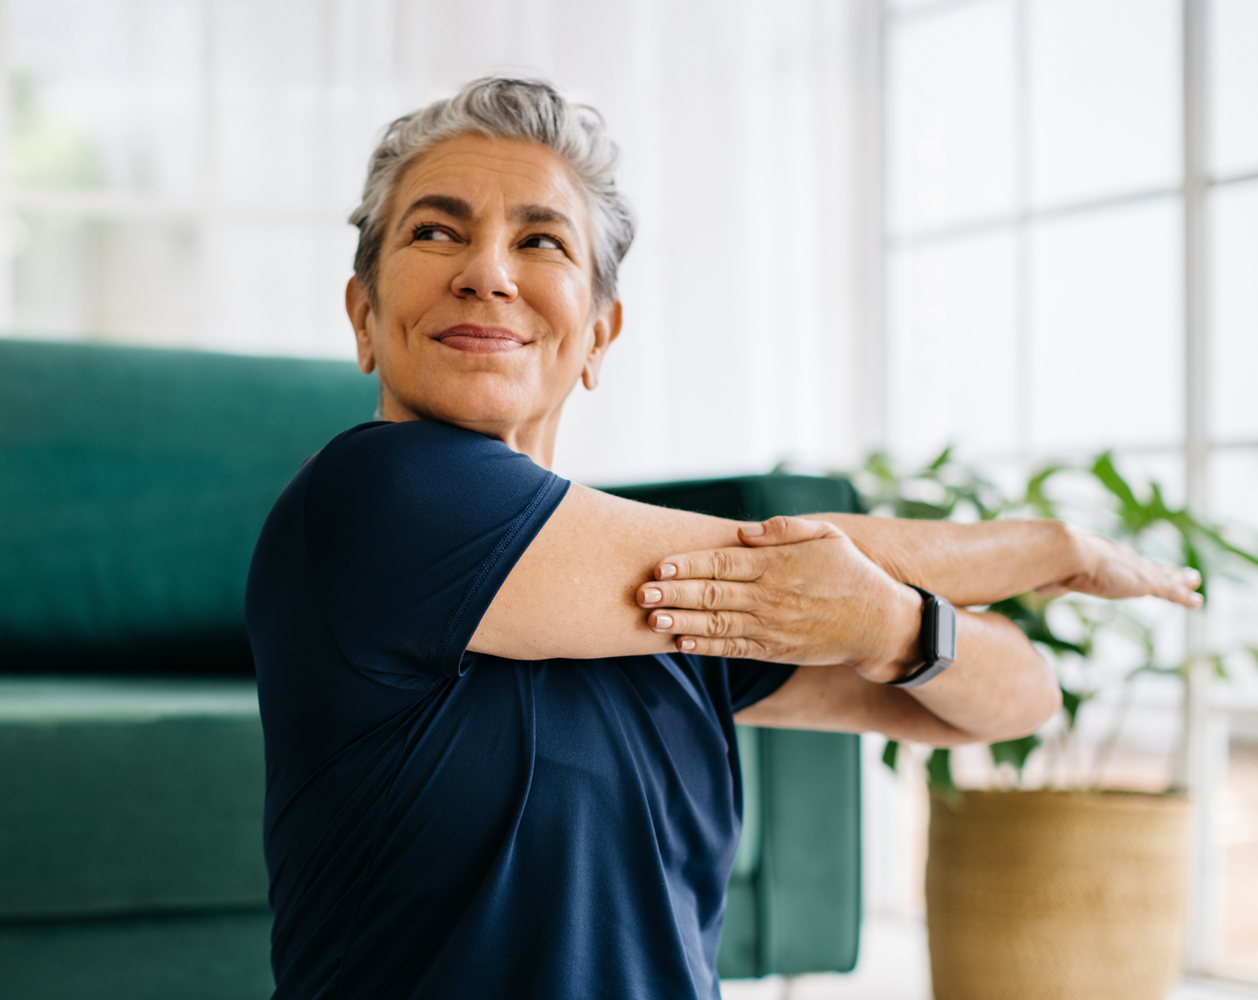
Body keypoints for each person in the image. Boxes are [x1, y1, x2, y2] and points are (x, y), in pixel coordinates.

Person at [245, 77, 1202, 1000]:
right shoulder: (370, 496)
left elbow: (1013, 700)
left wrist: (894, 628)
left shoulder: (678, 599)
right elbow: (768, 561)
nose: (487, 272)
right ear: (364, 316)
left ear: (597, 340)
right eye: (435, 231)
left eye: (541, 240)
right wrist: (1047, 548)